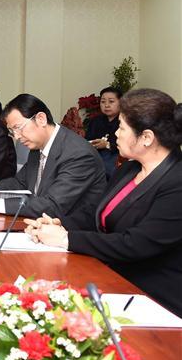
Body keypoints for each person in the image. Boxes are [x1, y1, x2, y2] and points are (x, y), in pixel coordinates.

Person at [24, 89, 182, 317]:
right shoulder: (130, 168)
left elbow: (135, 244)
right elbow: (96, 213)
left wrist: (67, 239)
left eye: (122, 128)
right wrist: (60, 224)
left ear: (146, 137)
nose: (115, 134)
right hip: (110, 276)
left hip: (154, 299)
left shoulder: (176, 181)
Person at [0, 93, 105, 219]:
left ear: (41, 119)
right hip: (39, 224)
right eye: (12, 132)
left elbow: (52, 205)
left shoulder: (78, 154)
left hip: (68, 233)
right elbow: (20, 183)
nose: (17, 137)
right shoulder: (38, 145)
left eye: (18, 128)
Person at [85, 87, 122, 179]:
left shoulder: (125, 121)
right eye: (103, 102)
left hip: (115, 156)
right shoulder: (95, 121)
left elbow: (129, 145)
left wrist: (107, 145)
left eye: (111, 101)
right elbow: (87, 140)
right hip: (95, 154)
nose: (106, 105)